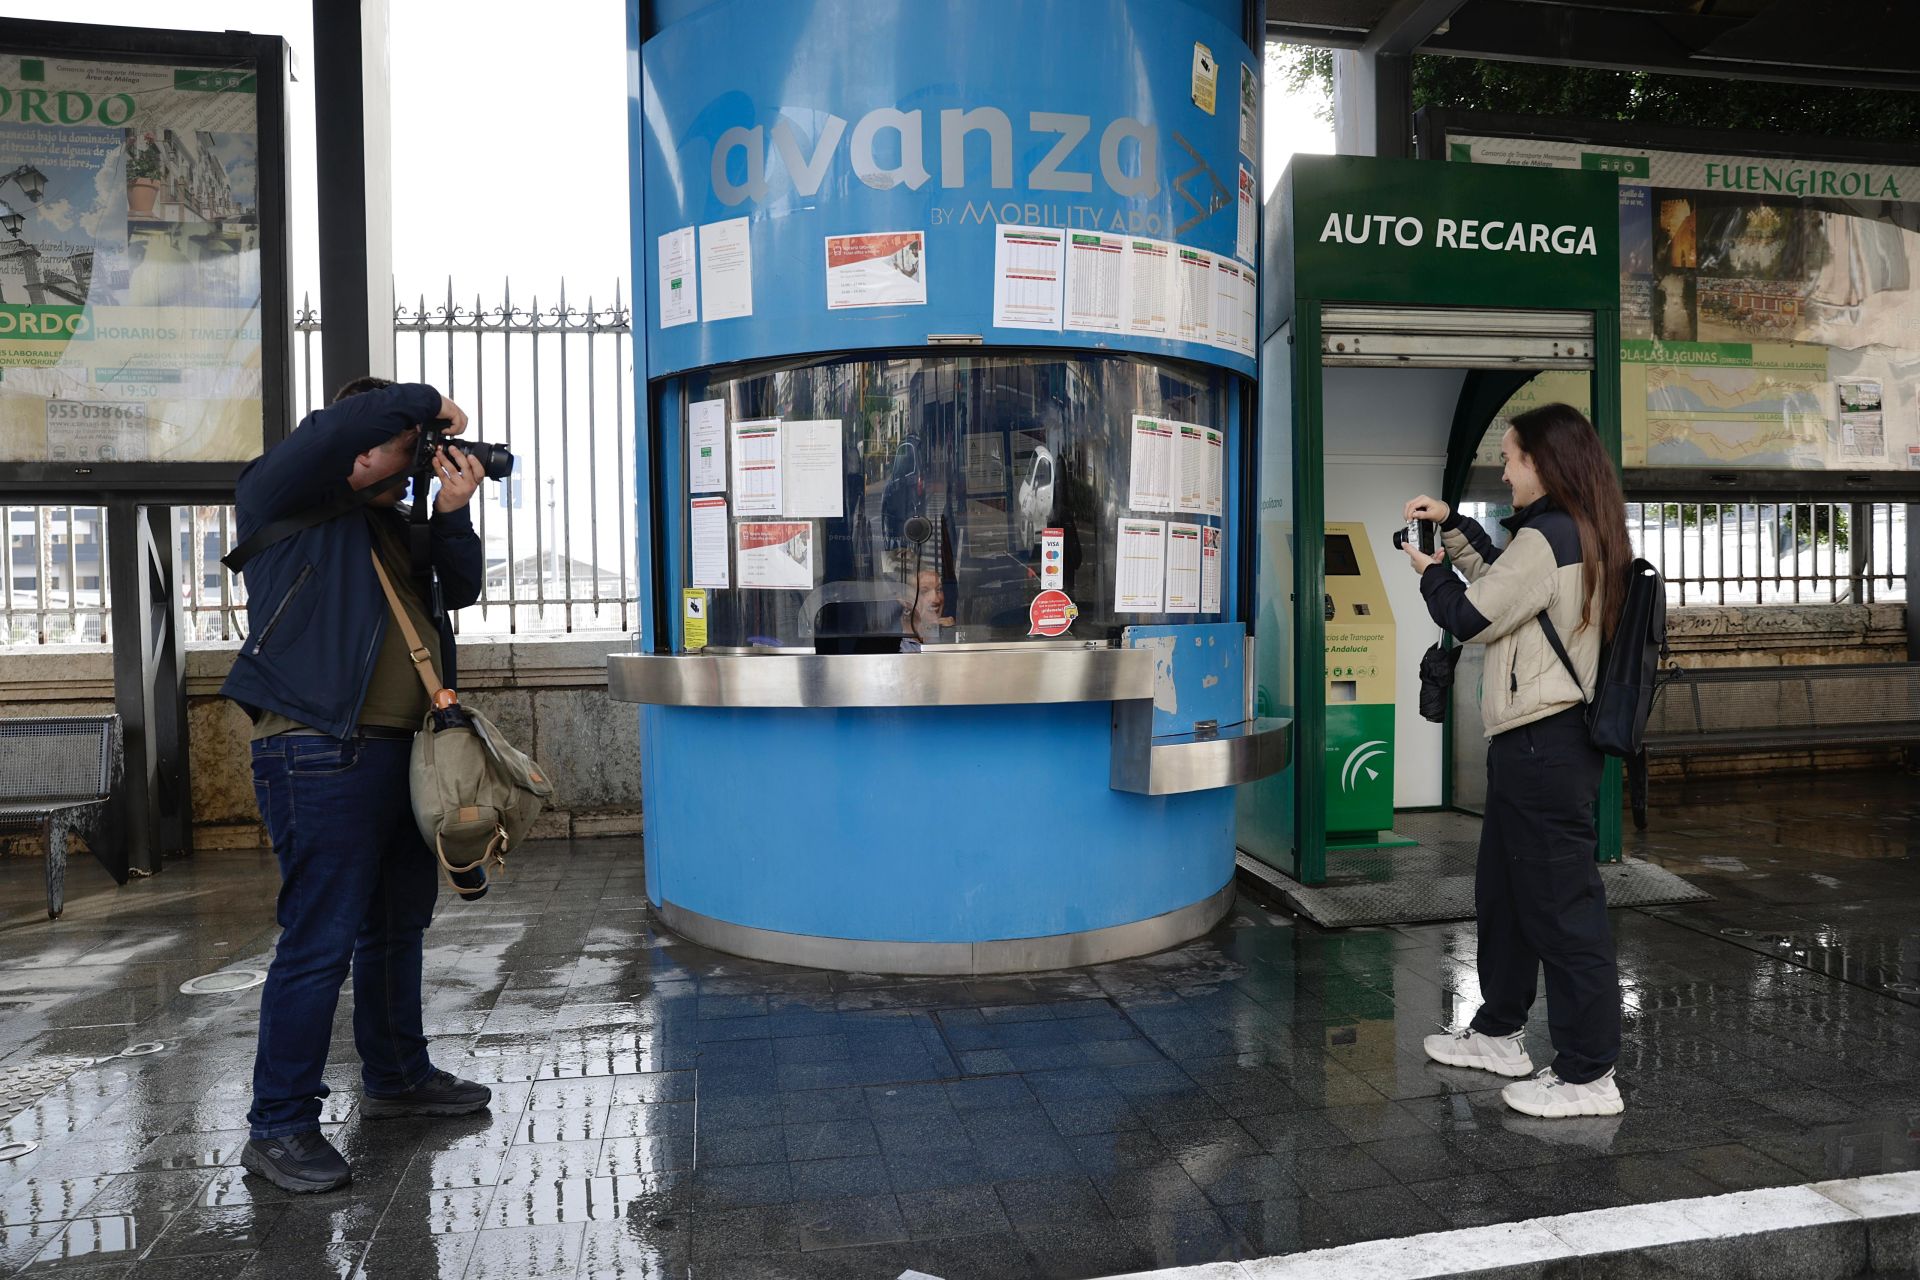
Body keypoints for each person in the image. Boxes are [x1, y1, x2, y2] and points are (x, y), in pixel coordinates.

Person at [221, 377, 495, 1192]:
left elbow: (464, 591)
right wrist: (435, 408)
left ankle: (398, 1077)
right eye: (408, 443)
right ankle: (279, 1125)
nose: (415, 456)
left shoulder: (386, 526)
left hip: (401, 753)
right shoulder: (280, 491)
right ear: (355, 439)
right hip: (316, 748)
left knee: (395, 927)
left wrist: (450, 515)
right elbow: (352, 423)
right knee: (320, 942)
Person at [1400, 403, 1630, 1119]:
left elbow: (1471, 616)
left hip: (1543, 748)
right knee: (1504, 895)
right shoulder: (1573, 532)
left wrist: (1428, 571)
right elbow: (1509, 586)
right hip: (1540, 747)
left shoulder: (1550, 536)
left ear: (1543, 463)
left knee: (1563, 911)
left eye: (1510, 458)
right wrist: (1459, 532)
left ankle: (1590, 1073)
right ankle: (1500, 1031)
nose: (1502, 471)